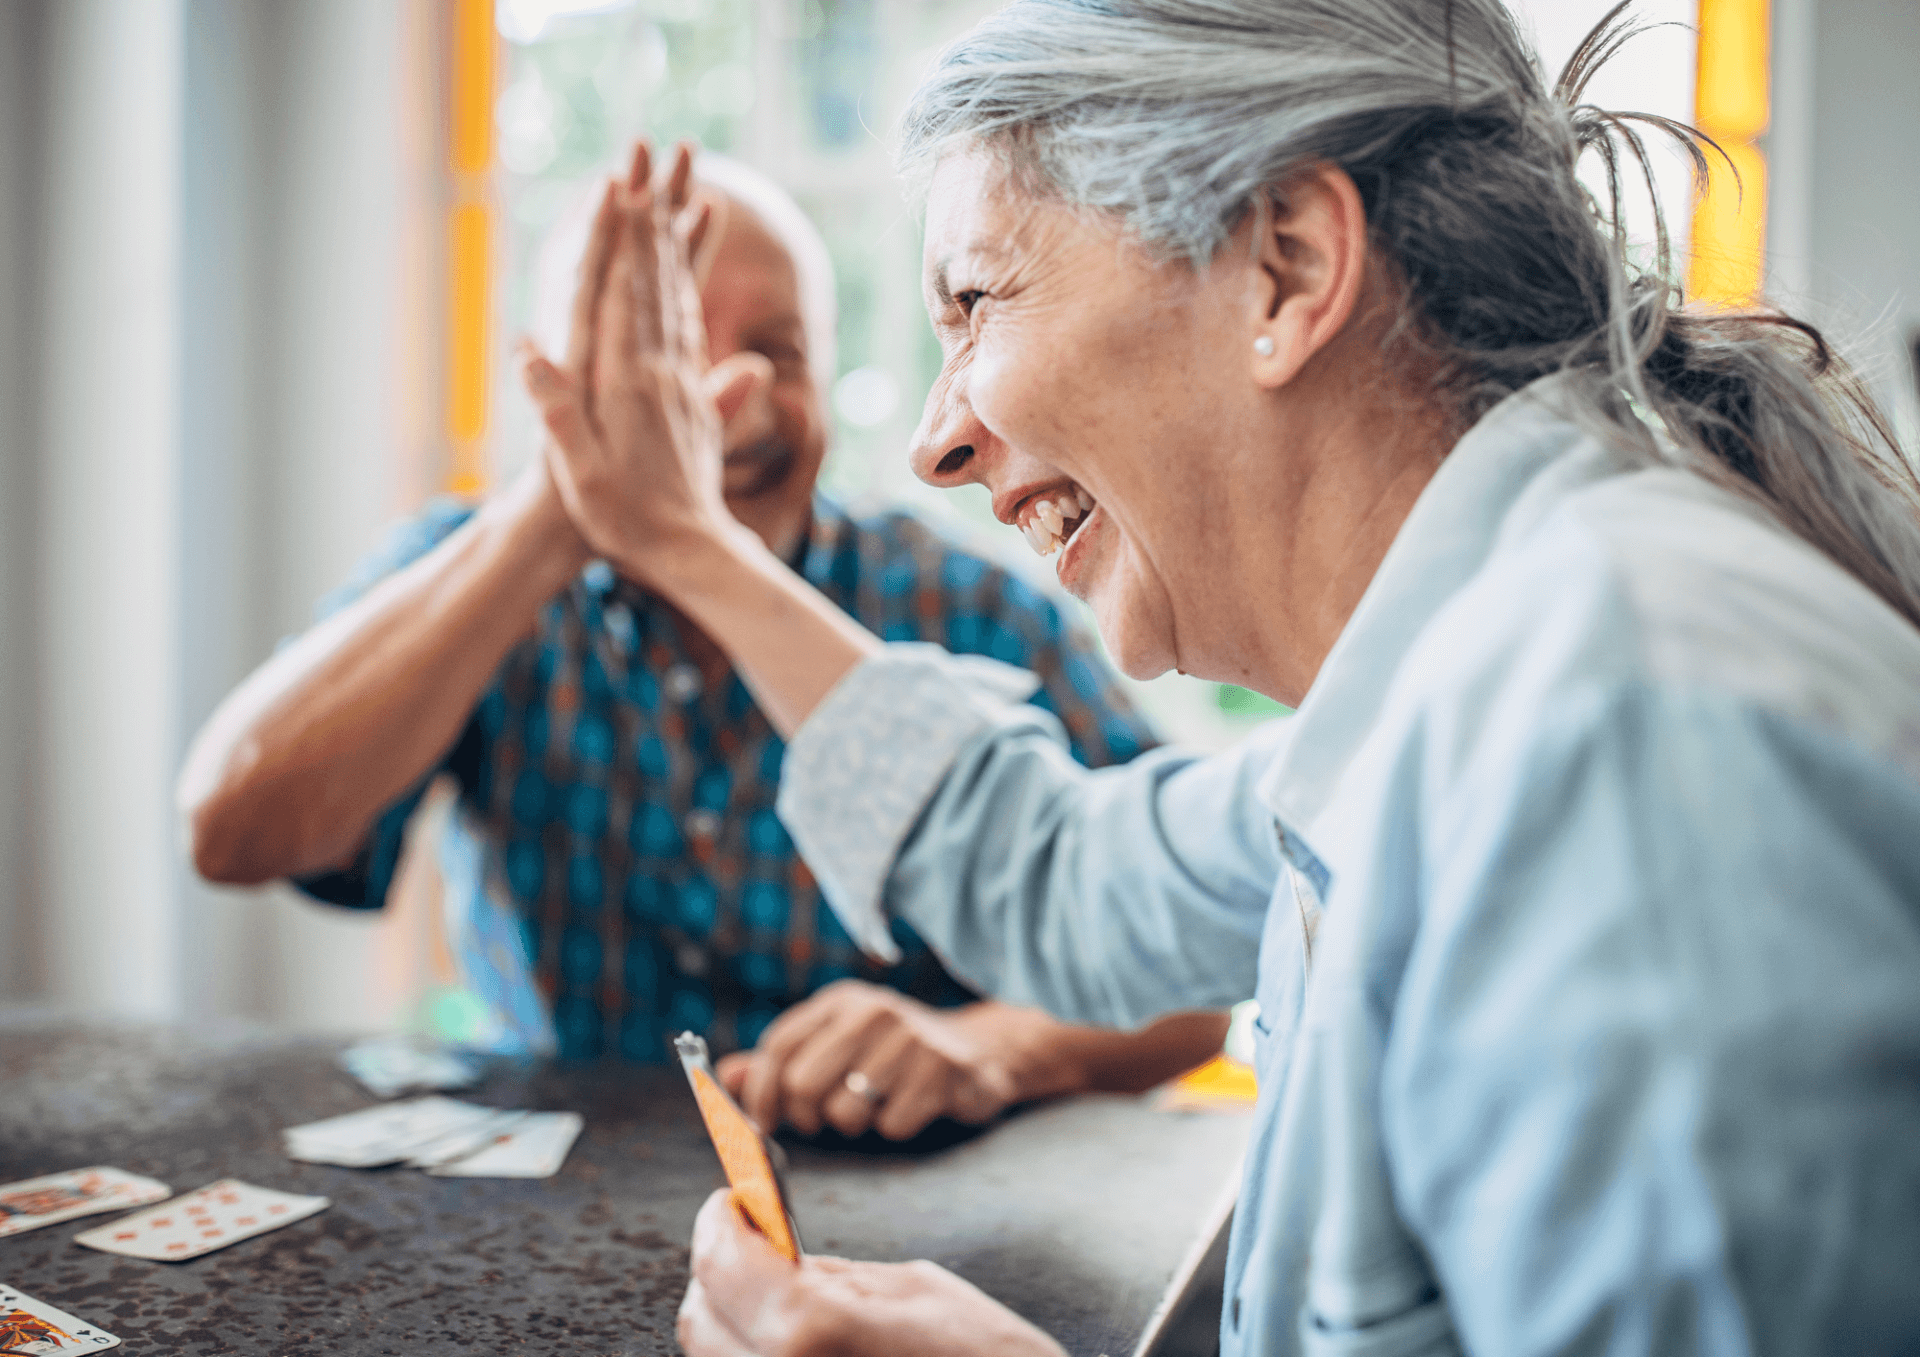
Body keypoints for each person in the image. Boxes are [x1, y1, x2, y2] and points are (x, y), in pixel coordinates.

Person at [508, 0, 1920, 1352]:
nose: (937, 441)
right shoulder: (1456, 685)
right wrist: (690, 546)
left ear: (1287, 268)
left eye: (976, 300)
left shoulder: (1628, 755)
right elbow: (1056, 866)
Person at [176, 151, 1231, 1144]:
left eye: (776, 353)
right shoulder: (464, 565)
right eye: (666, 360)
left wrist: (986, 1048)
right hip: (547, 1200)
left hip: (901, 1195)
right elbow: (236, 830)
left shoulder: (971, 605)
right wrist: (570, 505)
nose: (726, 401)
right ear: (555, 384)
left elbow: (1191, 972)